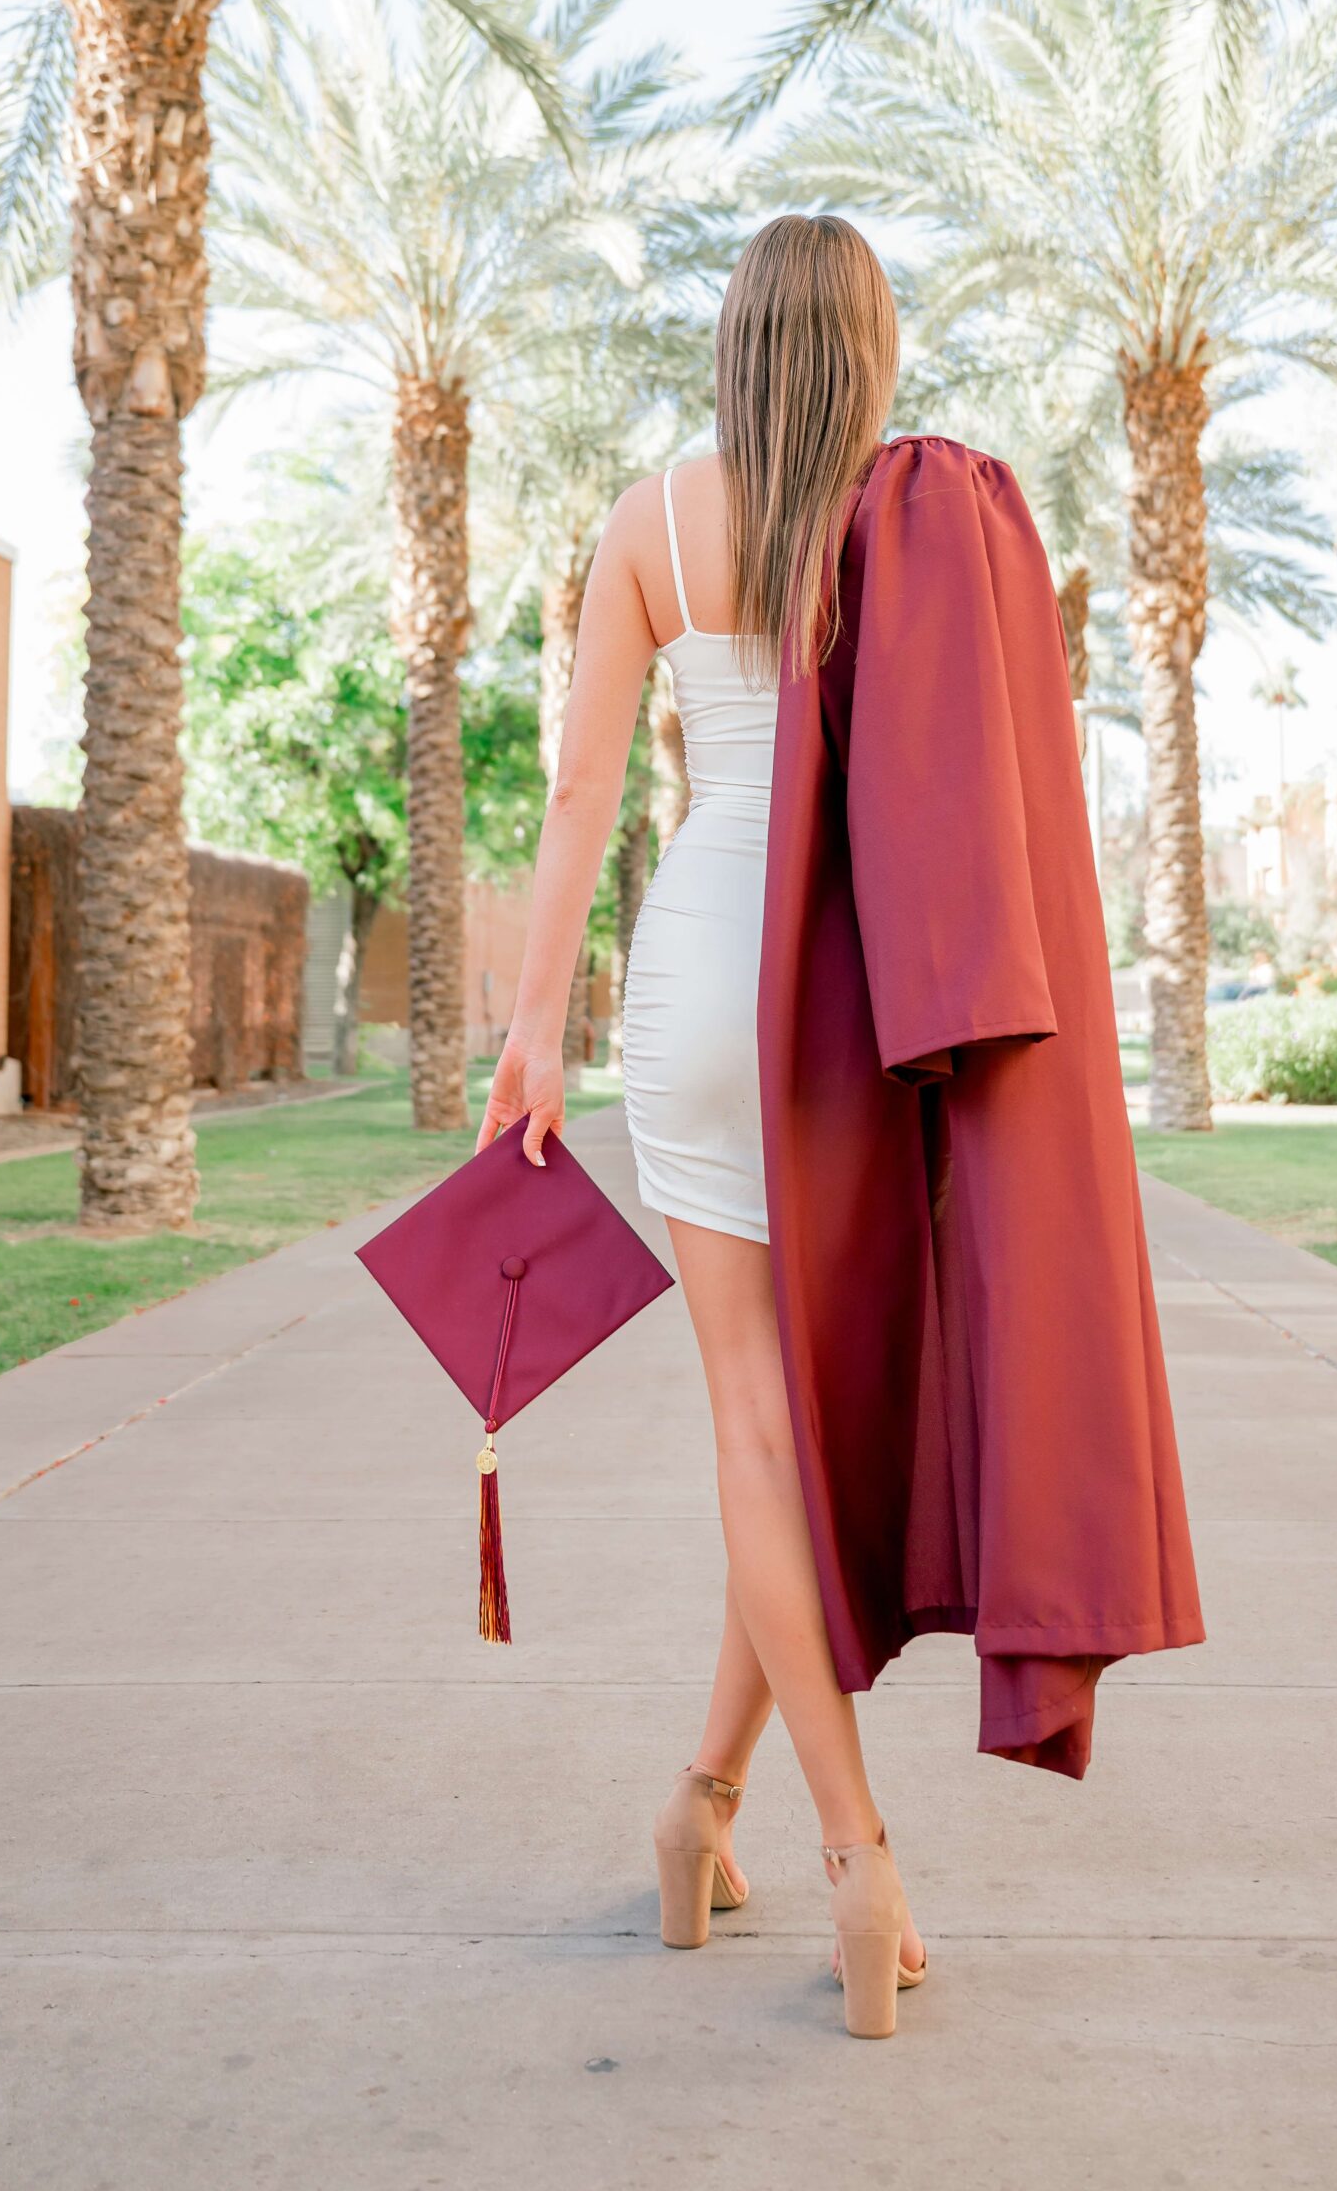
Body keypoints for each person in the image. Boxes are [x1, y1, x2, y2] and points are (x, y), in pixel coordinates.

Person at [478, 215, 929, 2036]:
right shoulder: (904, 520)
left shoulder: (654, 520)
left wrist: (531, 1028)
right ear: (868, 347)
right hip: (849, 999)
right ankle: (862, 1857)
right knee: (787, 1435)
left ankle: (704, 1812)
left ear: (736, 345)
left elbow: (586, 783)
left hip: (691, 983)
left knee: (763, 1431)